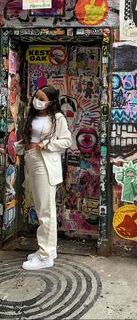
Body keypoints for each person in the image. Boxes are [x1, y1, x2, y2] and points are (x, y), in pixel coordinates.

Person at [14, 85, 72, 270]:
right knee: (42, 208)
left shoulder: (57, 118)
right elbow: (30, 139)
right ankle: (49, 250)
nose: (37, 100)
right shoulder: (33, 115)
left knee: (45, 210)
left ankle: (45, 255)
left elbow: (66, 141)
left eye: (42, 98)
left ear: (51, 102)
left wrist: (45, 144)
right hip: (32, 161)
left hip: (44, 163)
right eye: (36, 96)